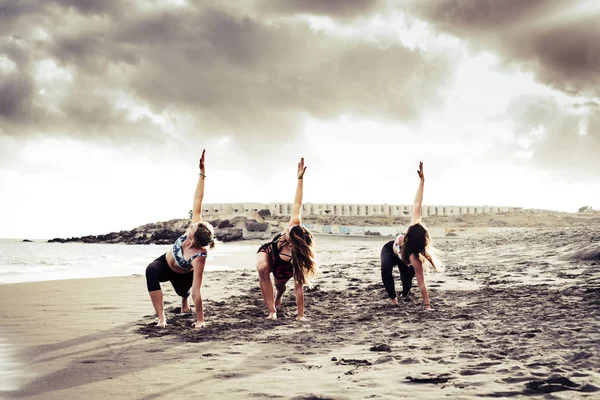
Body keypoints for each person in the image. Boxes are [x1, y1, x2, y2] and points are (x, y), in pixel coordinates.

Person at [145, 150, 215, 328]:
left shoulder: (199, 256)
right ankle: (161, 317)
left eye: (191, 227)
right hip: (164, 263)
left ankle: (184, 300)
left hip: (181, 275)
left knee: (184, 291)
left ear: (193, 239)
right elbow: (198, 199)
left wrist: (200, 320)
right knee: (151, 270)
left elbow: (197, 291)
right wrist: (202, 173)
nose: (190, 225)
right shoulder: (195, 228)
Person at [256, 158, 319, 321]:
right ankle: (271, 311)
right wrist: (300, 179)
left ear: (294, 244)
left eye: (289, 238)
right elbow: (297, 202)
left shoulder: (297, 258)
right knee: (262, 268)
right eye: (288, 233)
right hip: (269, 252)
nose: (285, 235)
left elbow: (299, 288)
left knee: (280, 285)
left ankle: (279, 295)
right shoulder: (293, 225)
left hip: (284, 264)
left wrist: (300, 315)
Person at [380, 162, 442, 310]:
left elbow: (422, 282)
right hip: (390, 249)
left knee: (407, 284)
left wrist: (427, 306)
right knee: (385, 268)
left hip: (404, 260)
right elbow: (417, 204)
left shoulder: (414, 258)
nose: (405, 235)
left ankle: (404, 293)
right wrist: (422, 181)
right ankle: (394, 299)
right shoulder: (413, 227)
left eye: (407, 236)